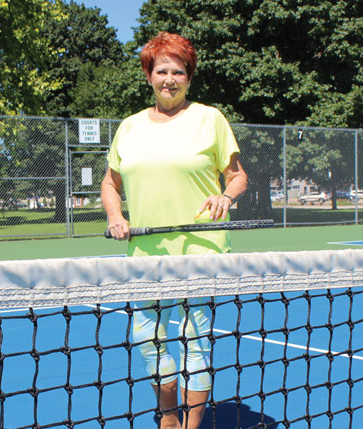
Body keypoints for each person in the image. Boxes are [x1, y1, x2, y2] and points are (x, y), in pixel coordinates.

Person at [100, 32, 248, 429]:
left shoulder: (210, 119)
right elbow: (110, 184)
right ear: (149, 75)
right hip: (144, 256)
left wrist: (226, 198)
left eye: (178, 71)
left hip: (200, 251)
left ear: (189, 78)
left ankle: (192, 425)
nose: (169, 78)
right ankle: (168, 419)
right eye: (161, 70)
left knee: (193, 342)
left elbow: (237, 177)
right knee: (149, 344)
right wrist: (116, 217)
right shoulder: (128, 128)